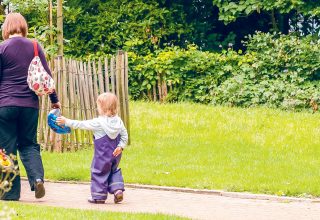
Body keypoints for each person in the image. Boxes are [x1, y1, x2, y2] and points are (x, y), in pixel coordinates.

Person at [0, 13, 61, 201]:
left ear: (6, 28)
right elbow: (45, 75)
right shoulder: (35, 46)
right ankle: (37, 179)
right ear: (23, 27)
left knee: (6, 148)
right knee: (28, 144)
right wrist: (54, 100)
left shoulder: (2, 48)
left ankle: (10, 193)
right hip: (29, 106)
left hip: (6, 104)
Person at [57, 92, 128, 204]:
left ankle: (99, 196)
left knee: (99, 172)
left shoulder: (98, 123)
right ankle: (117, 189)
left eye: (99, 106)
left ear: (105, 109)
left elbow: (81, 124)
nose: (97, 108)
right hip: (116, 154)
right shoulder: (119, 121)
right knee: (113, 170)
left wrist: (66, 121)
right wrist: (121, 147)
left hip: (102, 155)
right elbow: (124, 135)